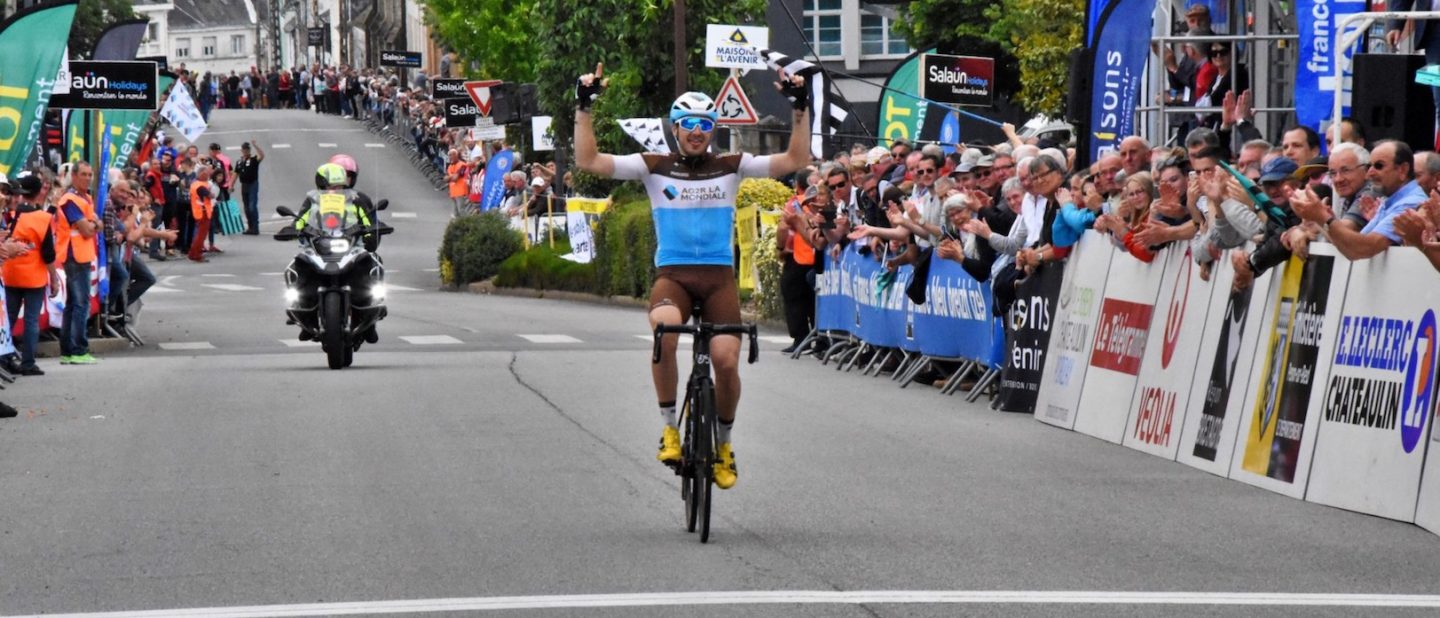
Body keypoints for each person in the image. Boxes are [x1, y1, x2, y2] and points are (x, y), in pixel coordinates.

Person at [573, 61, 812, 490]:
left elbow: (797, 159)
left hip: (718, 277)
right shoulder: (653, 165)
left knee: (725, 361)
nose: (697, 131)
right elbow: (588, 160)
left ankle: (723, 445)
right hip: (675, 277)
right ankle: (669, 428)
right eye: (688, 124)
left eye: (705, 123)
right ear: (676, 128)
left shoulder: (733, 165)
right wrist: (584, 108)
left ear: (713, 128)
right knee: (664, 333)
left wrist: (799, 109)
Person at [2, 170, 59, 376]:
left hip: (9, 273)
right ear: (38, 193)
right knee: (31, 320)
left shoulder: (9, 214)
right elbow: (48, 253)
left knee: (7, 318)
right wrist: (54, 279)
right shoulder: (43, 218)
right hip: (33, 276)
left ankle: (5, 359)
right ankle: (28, 363)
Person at [53, 161, 100, 365]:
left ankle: (69, 350)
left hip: (81, 253)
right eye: (84, 174)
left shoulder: (85, 198)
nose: (88, 178)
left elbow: (95, 224)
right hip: (74, 254)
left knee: (73, 304)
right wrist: (94, 225)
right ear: (73, 176)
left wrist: (93, 225)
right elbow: (89, 229)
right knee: (80, 304)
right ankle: (78, 350)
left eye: (90, 174)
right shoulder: (70, 200)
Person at [234, 140, 265, 235]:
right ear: (241, 150)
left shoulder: (253, 159)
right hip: (244, 185)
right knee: (246, 207)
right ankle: (250, 227)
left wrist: (256, 145)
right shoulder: (239, 161)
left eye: (247, 149)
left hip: (253, 184)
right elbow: (235, 174)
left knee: (252, 206)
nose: (245, 151)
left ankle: (255, 227)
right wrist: (231, 185)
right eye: (244, 149)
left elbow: (262, 156)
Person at [188, 166, 215, 263]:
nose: (208, 175)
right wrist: (212, 193)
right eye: (206, 173)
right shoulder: (201, 186)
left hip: (198, 211)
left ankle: (193, 253)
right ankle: (195, 254)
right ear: (201, 174)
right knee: (201, 235)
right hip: (203, 212)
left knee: (200, 234)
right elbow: (210, 195)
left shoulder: (195, 184)